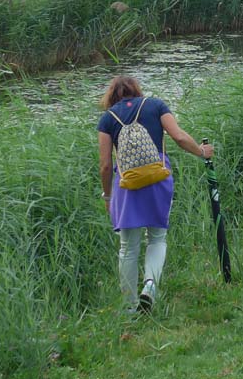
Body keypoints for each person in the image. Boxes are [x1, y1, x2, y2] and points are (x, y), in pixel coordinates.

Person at [97, 75, 214, 313]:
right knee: (157, 238)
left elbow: (106, 166)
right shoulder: (155, 105)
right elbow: (179, 137)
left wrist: (108, 197)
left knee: (128, 247)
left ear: (112, 96)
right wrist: (201, 152)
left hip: (127, 185)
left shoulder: (107, 119)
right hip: (159, 178)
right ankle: (150, 285)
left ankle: (129, 307)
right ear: (136, 90)